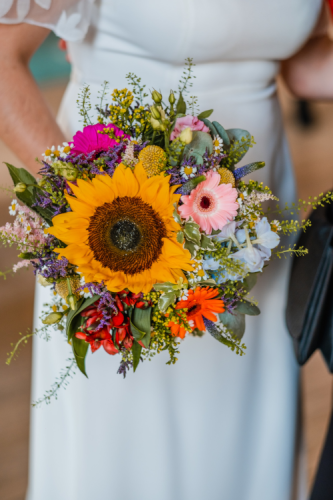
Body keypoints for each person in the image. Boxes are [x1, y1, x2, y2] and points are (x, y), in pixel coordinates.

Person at [0, 1, 331, 499]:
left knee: (240, 440)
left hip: (255, 228)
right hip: (121, 221)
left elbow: (297, 65)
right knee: (125, 447)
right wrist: (90, 217)